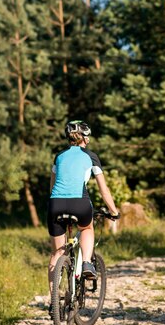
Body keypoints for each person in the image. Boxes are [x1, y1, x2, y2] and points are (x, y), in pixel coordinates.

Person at [47, 120, 119, 299]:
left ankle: (54, 301)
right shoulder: (91, 156)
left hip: (55, 203)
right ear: (85, 138)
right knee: (87, 228)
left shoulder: (59, 156)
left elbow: (52, 186)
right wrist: (114, 211)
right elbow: (103, 189)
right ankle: (86, 263)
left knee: (58, 252)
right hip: (79, 203)